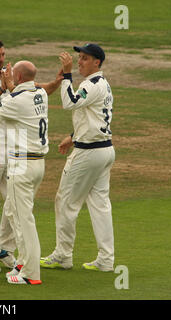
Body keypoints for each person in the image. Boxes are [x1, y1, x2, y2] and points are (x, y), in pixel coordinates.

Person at [0, 39, 62, 273]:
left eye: (3, 54)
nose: (1, 59)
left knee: (13, 201)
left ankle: (5, 249)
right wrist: (4, 88)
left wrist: (57, 82)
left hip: (13, 144)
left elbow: (36, 90)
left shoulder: (11, 75)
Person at [40, 43, 116, 272]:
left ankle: (63, 255)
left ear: (97, 63)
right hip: (103, 150)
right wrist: (73, 136)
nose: (80, 61)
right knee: (100, 205)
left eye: (85, 58)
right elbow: (95, 118)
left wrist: (66, 74)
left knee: (65, 201)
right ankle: (106, 259)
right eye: (79, 57)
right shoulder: (102, 84)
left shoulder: (91, 84)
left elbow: (69, 102)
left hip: (89, 153)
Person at [0, 60, 48, 285]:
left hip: (22, 167)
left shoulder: (17, 101)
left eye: (12, 73)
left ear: (19, 77)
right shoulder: (40, 94)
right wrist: (9, 88)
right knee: (14, 211)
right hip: (38, 165)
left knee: (23, 220)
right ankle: (22, 262)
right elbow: (14, 101)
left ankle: (31, 274)